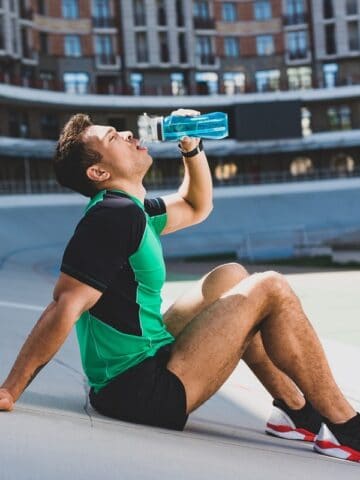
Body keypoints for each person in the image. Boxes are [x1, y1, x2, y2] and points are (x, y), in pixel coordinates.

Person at [0, 110, 359, 463]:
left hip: (146, 362)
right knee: (271, 288)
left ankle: (295, 410)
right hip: (138, 389)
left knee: (231, 276)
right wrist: (10, 388)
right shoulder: (111, 217)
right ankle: (345, 426)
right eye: (113, 138)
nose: (127, 135)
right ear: (99, 172)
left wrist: (190, 146)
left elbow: (195, 204)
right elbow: (65, 306)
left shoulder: (133, 209)